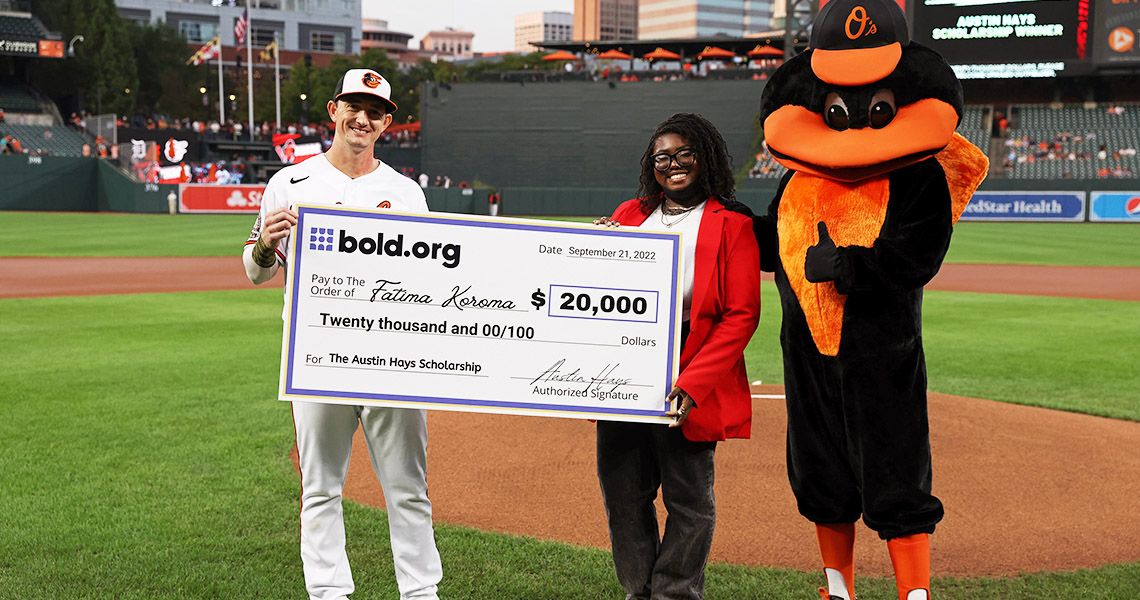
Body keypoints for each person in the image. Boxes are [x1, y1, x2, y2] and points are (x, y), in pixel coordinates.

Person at [242, 68, 443, 600]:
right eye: (353, 106)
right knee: (321, 488)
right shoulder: (289, 182)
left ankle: (421, 592)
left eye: (374, 110)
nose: (362, 117)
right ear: (333, 110)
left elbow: (432, 276)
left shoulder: (405, 192)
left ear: (387, 123)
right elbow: (257, 271)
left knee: (409, 489)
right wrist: (264, 243)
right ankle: (328, 592)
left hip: (391, 359)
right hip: (316, 356)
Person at [593, 113, 761, 600]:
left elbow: (741, 314)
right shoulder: (629, 213)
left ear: (704, 158)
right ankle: (639, 591)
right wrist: (593, 248)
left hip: (690, 369)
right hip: (623, 371)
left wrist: (693, 383)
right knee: (624, 495)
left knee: (689, 500)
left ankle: (675, 592)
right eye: (662, 156)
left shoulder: (732, 223)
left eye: (684, 153)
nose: (673, 164)